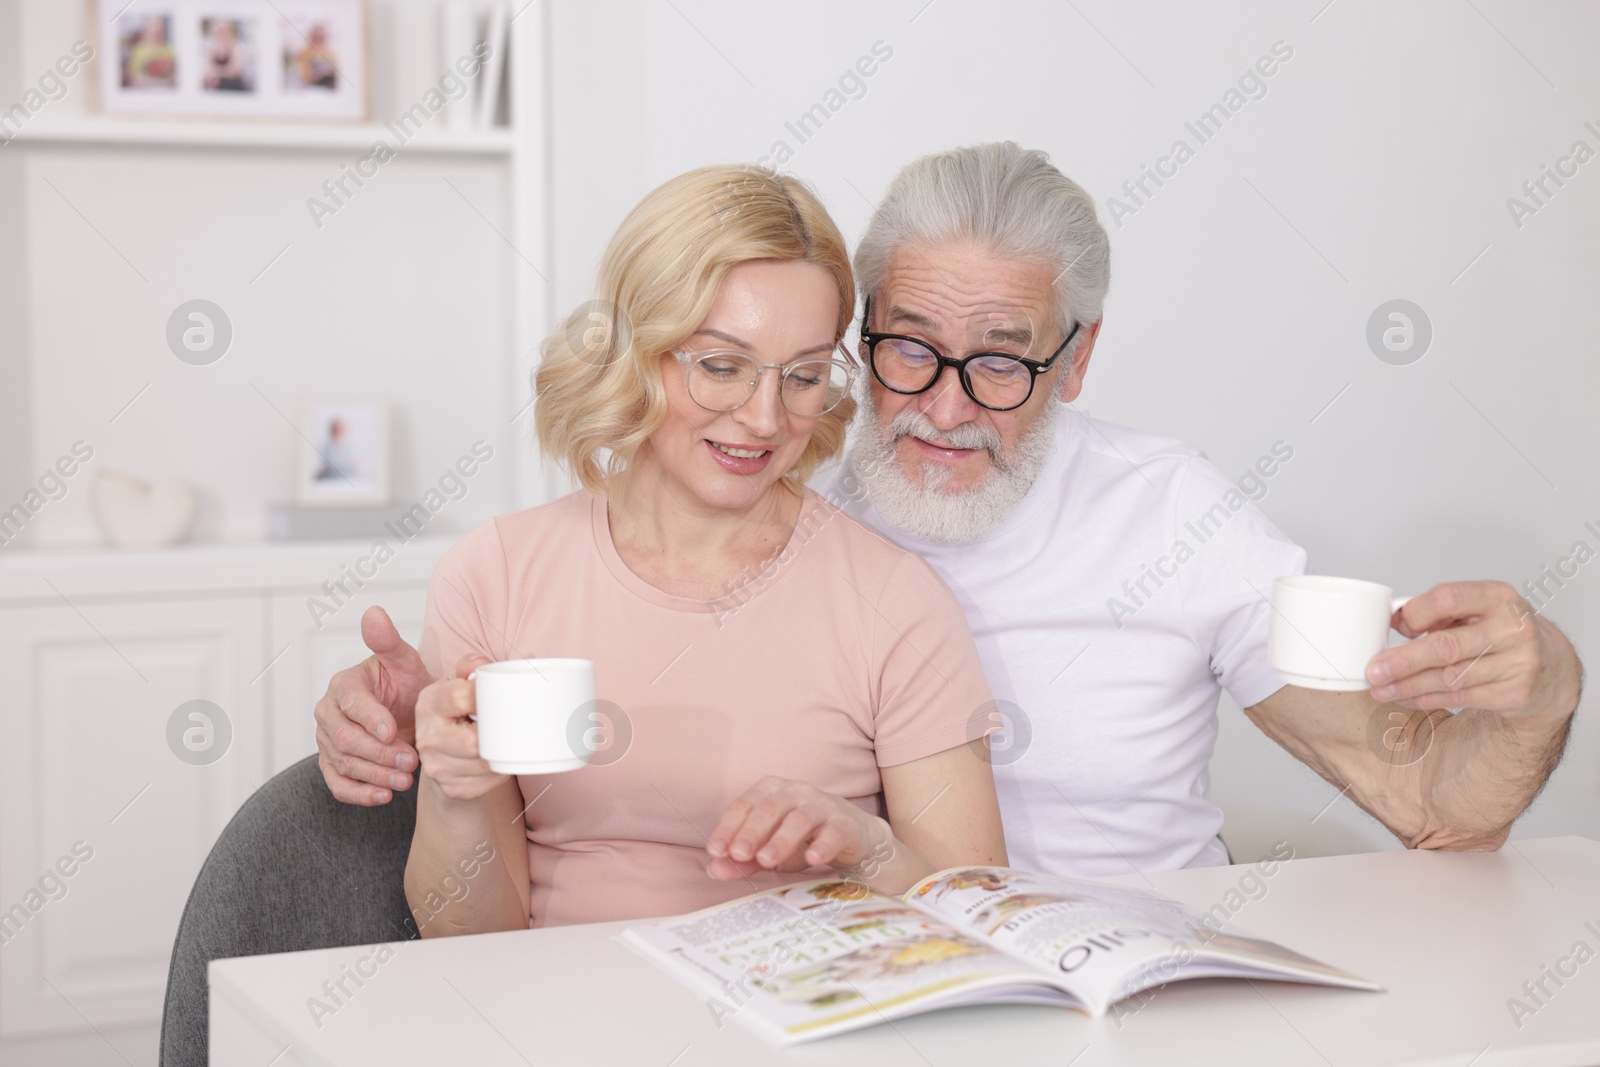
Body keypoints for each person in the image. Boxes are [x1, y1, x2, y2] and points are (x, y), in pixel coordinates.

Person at [316, 144, 1581, 880]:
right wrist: (389, 726)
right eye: (905, 349)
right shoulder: (779, 473)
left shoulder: (1170, 515)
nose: (942, 409)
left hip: (1130, 976)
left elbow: (1434, 807)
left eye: (1004, 360)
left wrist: (1540, 689)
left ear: (1076, 362)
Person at [391, 165, 1005, 933]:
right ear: (634, 351)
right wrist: (453, 792)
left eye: (805, 376)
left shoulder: (894, 601)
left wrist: (866, 846)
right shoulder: (496, 574)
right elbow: (468, 941)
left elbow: (983, 920)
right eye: (721, 366)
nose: (764, 416)